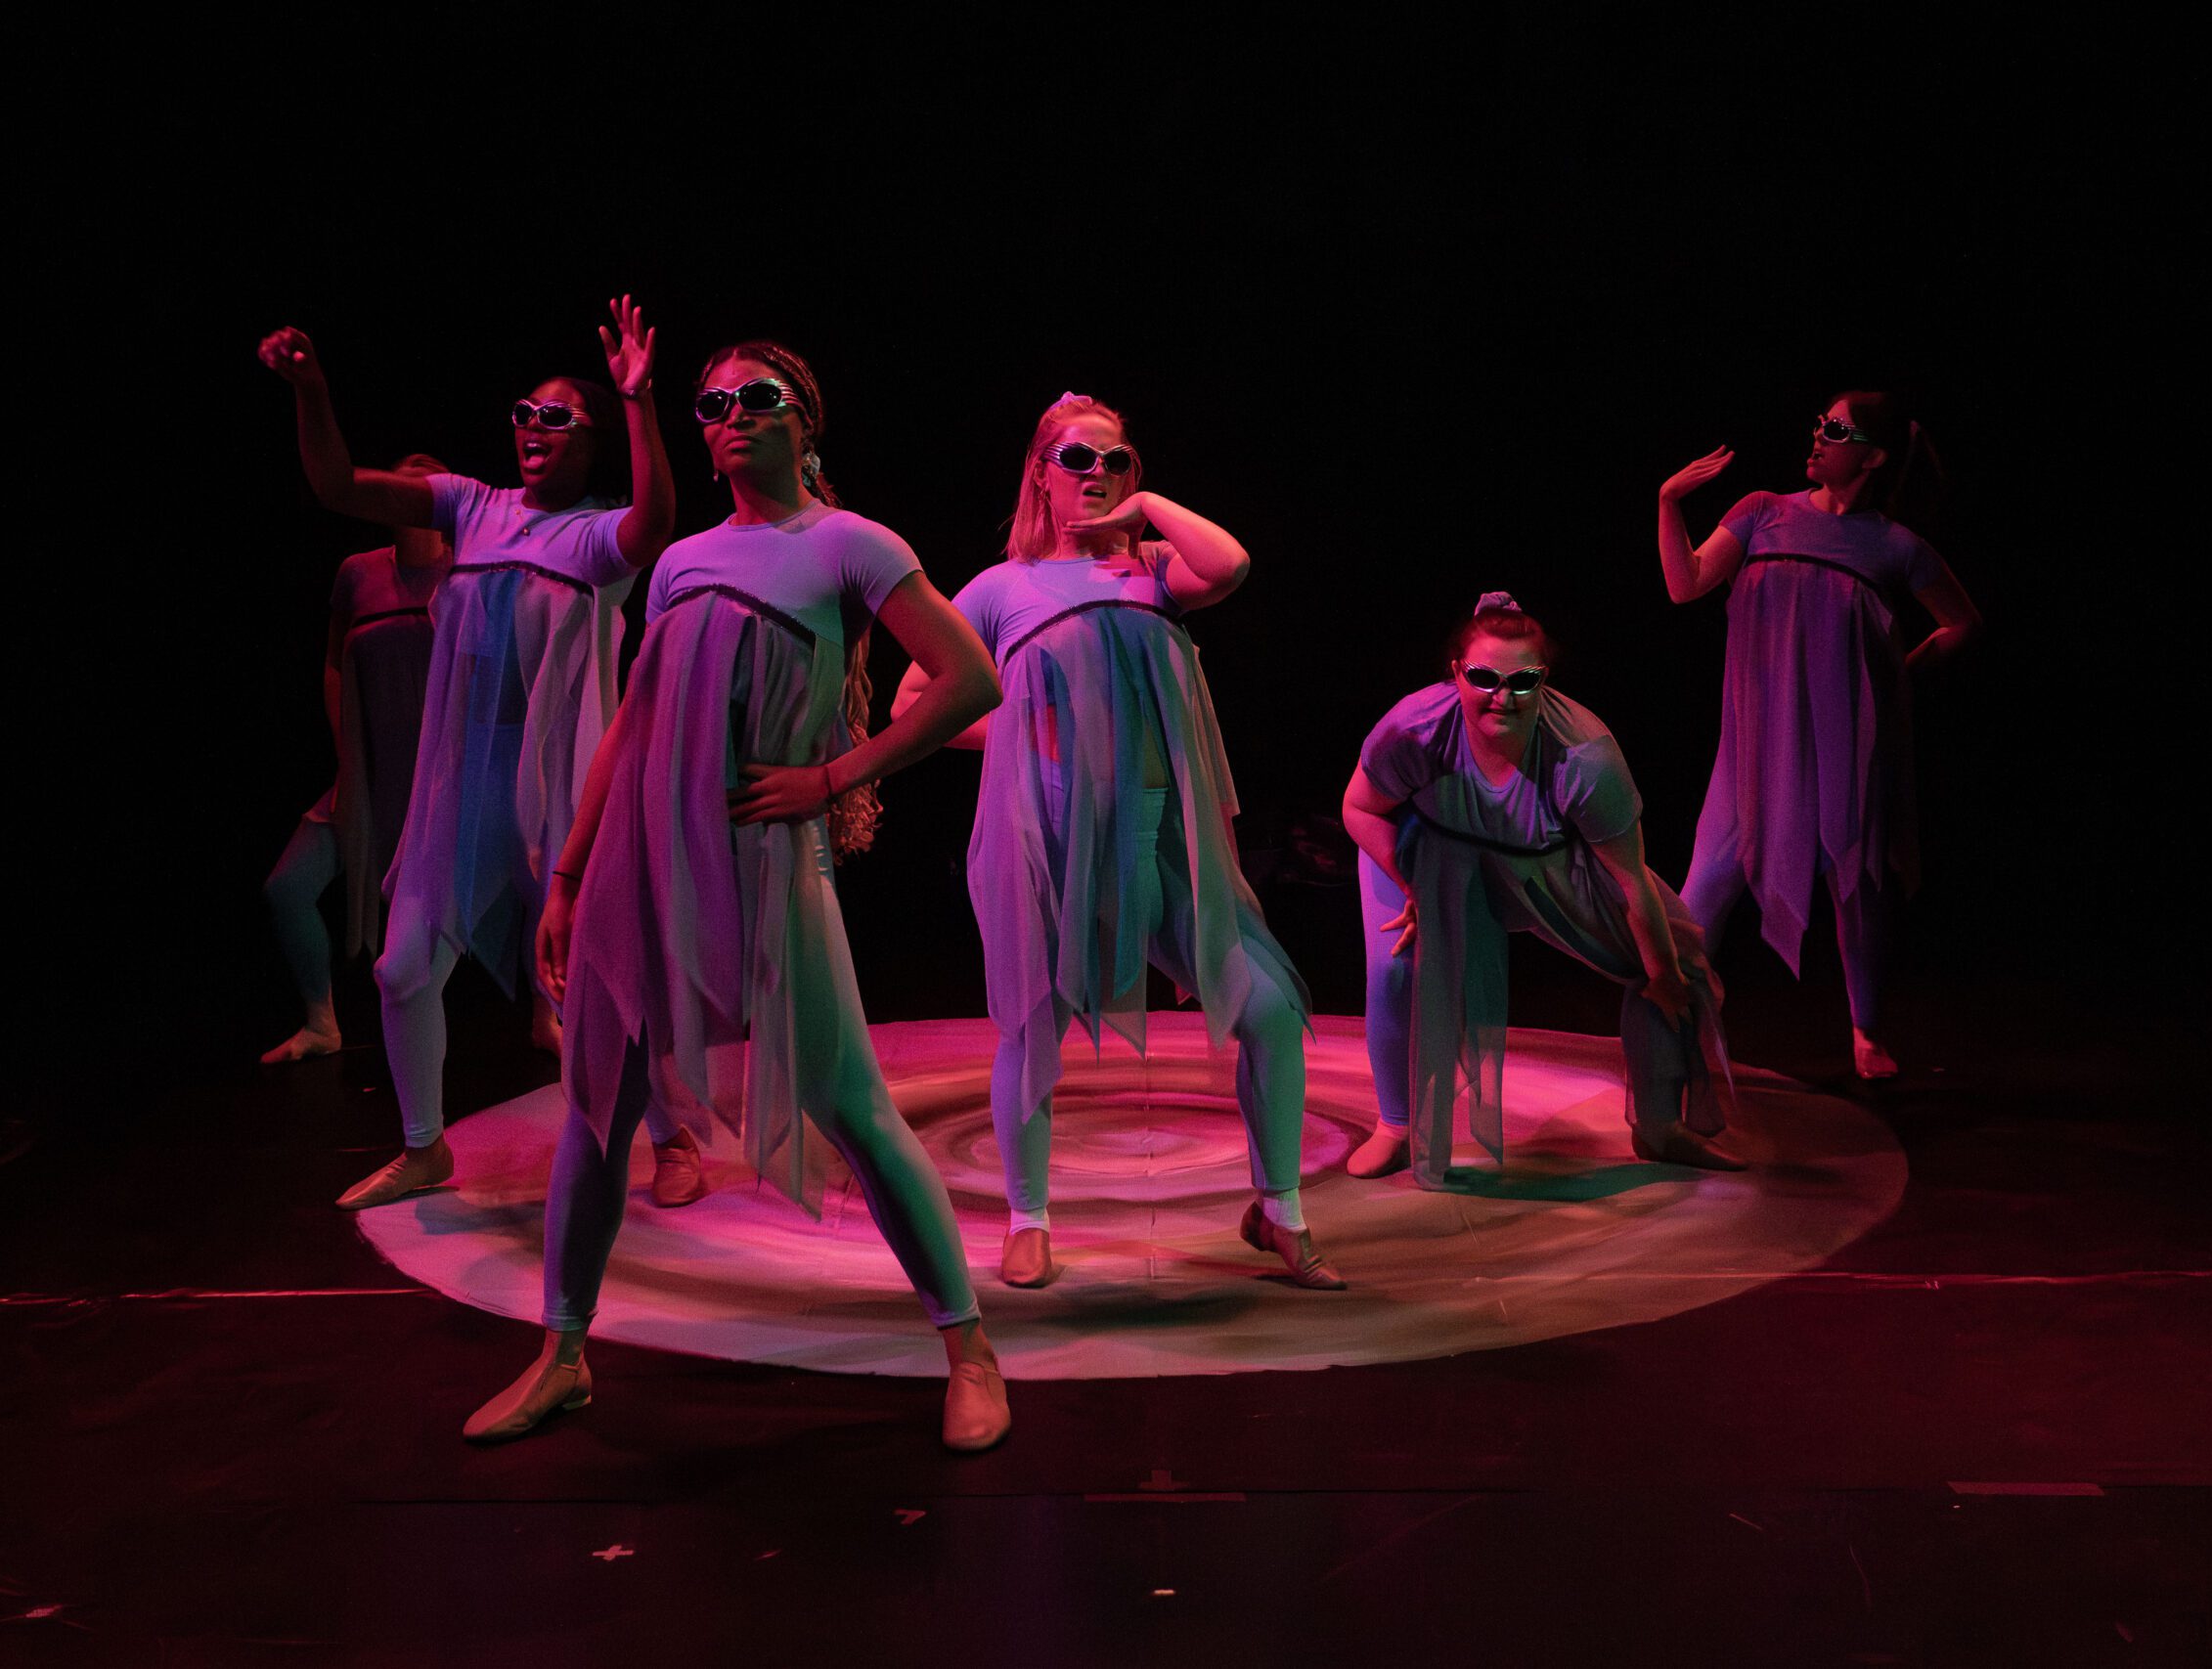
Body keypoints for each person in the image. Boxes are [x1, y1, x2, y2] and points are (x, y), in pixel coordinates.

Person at [465, 342, 1012, 1452]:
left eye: (756, 397)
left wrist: (832, 777)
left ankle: (970, 1350)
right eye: (711, 403)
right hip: (637, 860)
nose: (730, 414)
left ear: (805, 420)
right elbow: (631, 725)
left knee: (853, 1107)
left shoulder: (850, 544)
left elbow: (971, 679)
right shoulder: (679, 562)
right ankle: (562, 1355)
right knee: (596, 1112)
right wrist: (567, 874)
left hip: (765, 858)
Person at [256, 299, 699, 1209]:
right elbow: (337, 485)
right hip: (465, 782)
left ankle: (670, 1133)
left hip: (565, 787)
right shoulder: (471, 505)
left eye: (556, 417)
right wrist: (311, 390)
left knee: (592, 980)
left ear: (590, 439)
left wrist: (639, 403)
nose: (533, 427)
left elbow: (655, 522)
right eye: (524, 413)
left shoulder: (598, 536)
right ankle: (425, 1147)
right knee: (403, 968)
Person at [898, 392, 1336, 1292]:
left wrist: (1147, 510)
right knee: (1033, 1030)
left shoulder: (1157, 571)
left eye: (1116, 459)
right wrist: (1020, 725)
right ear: (1040, 473)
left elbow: (1233, 563)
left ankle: (1280, 1210)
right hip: (1051, 837)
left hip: (1158, 837)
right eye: (1077, 458)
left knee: (1269, 1012)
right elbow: (914, 702)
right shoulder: (1000, 588)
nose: (1096, 473)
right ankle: (1027, 1218)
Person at [1341, 595, 1740, 1185]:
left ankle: (1659, 1126)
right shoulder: (1415, 730)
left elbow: (1630, 879)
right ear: (1455, 672)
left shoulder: (1584, 756)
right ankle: (1397, 1125)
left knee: (1674, 966)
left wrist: (1662, 973)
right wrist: (1414, 889)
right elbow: (1359, 808)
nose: (1502, 696)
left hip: (1542, 863)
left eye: (1521, 681)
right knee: (1397, 969)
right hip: (1427, 851)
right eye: (1483, 678)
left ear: (1543, 679)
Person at [1658, 393, 1981, 1078]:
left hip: (1844, 744)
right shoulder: (1762, 512)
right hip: (1756, 743)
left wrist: (1896, 678)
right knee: (1706, 885)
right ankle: (1669, 1026)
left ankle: (1866, 1031)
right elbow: (1686, 585)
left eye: (1835, 429)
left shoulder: (1893, 544)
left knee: (1858, 885)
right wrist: (1668, 503)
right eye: (1819, 424)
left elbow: (1961, 622)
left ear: (1874, 455)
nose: (1818, 436)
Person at [259, 453, 453, 1065]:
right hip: (369, 774)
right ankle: (322, 1022)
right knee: (288, 887)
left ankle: (546, 1016)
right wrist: (346, 752)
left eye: (426, 478)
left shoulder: (467, 574)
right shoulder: (358, 572)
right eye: (401, 479)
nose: (411, 481)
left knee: (530, 882)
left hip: (441, 781)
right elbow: (335, 662)